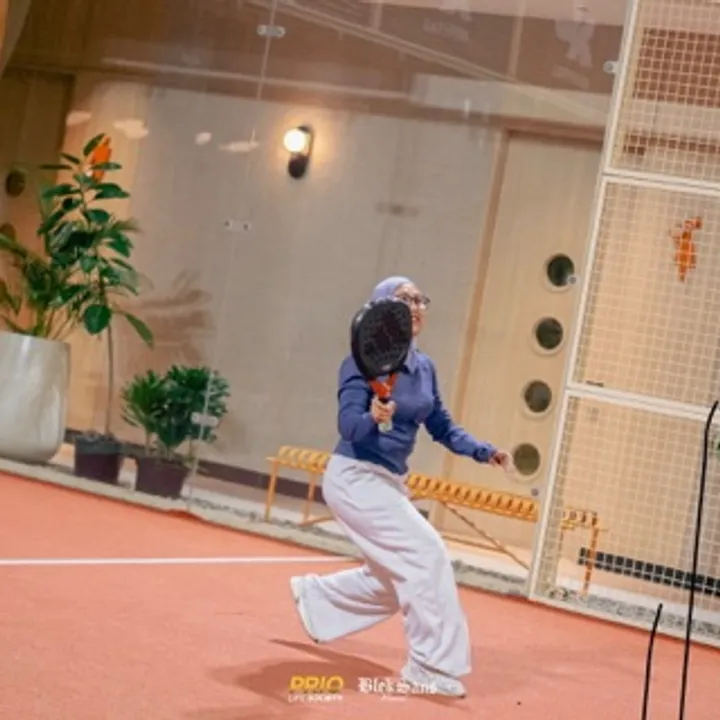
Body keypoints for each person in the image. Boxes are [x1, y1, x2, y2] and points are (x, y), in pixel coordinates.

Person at [290, 276, 511, 699]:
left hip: (390, 481)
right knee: (426, 552)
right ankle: (430, 666)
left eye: (420, 299)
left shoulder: (424, 368)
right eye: (404, 298)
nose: (416, 306)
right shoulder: (359, 363)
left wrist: (485, 452)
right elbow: (348, 427)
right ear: (381, 310)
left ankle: (317, 599)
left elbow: (442, 426)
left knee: (394, 580)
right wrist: (372, 417)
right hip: (354, 477)